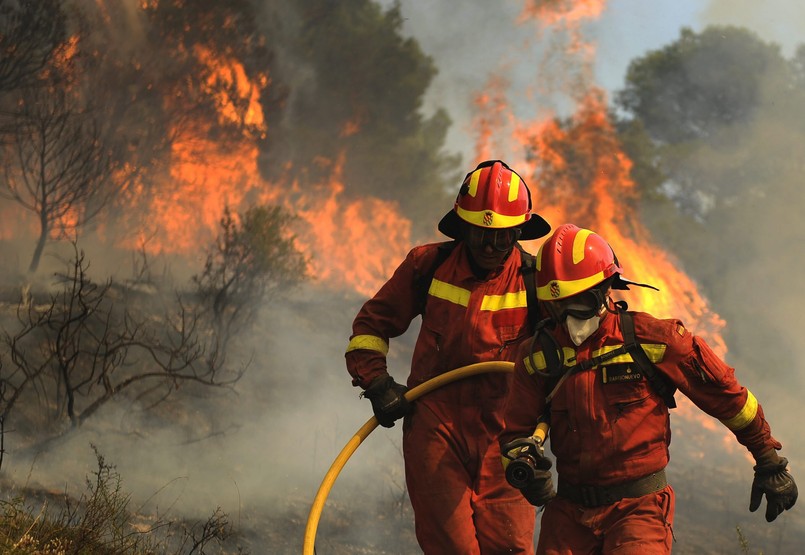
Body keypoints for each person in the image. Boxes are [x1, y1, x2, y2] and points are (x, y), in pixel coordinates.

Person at [498, 223, 797, 554]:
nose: (569, 318)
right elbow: (515, 431)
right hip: (567, 513)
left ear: (604, 290)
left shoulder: (654, 340)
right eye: (557, 307)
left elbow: (729, 399)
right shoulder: (537, 356)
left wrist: (769, 460)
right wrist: (525, 470)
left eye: (578, 303)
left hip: (638, 511)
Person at [345, 160, 552, 554]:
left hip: (507, 439)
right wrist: (377, 383)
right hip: (436, 431)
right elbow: (371, 326)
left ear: (520, 231)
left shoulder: (537, 281)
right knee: (452, 548)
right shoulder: (428, 266)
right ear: (463, 227)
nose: (491, 246)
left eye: (503, 237)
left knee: (510, 548)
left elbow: (571, 358)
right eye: (481, 234)